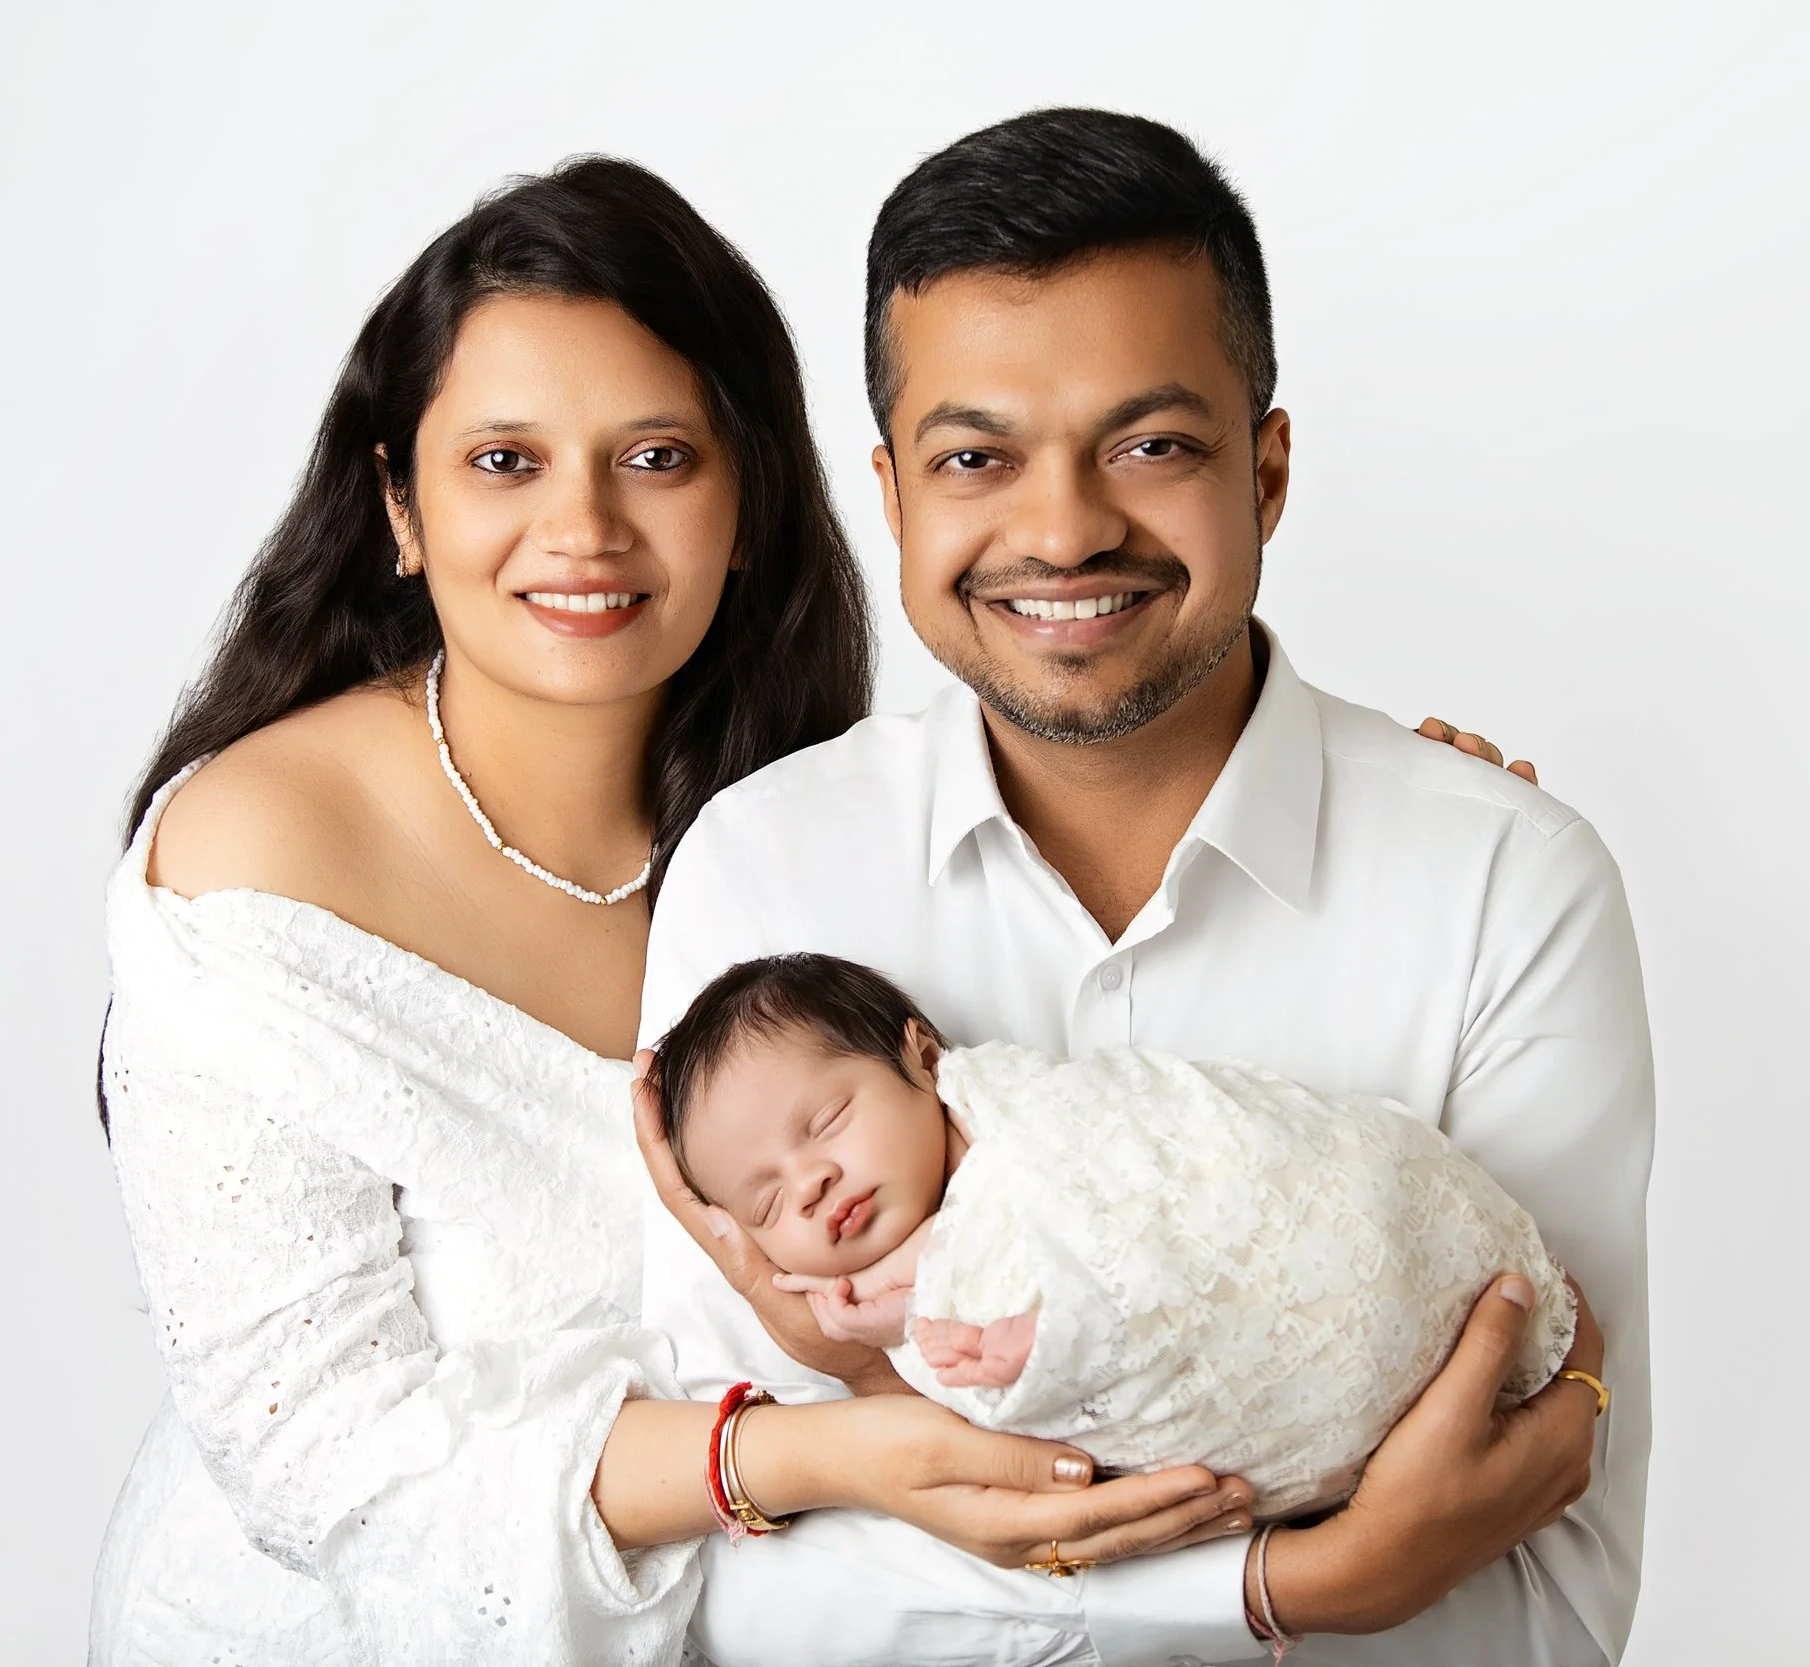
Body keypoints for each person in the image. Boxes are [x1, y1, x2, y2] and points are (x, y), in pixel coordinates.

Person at [88, 157, 1269, 1667]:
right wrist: (788, 1455)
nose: (583, 528)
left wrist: (1366, 803)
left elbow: (1073, 1089)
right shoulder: (256, 851)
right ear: (399, 503)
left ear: (751, 504)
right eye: (505, 462)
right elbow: (319, 1461)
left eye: (655, 456)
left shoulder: (803, 824)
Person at [635, 107, 1652, 1666]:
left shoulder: (1507, 884)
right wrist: (1280, 1583)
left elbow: (1539, 1547)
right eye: (977, 457)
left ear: (1270, 465)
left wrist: (922, 1477)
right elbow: (743, 1579)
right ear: (894, 496)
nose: (1062, 529)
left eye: (1152, 444)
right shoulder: (764, 871)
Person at [645, 951, 1582, 1516]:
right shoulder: (888, 1318)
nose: (810, 1185)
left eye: (825, 1122)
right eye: (765, 1205)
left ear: (922, 1057)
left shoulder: (1026, 1115)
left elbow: (1136, 1163)